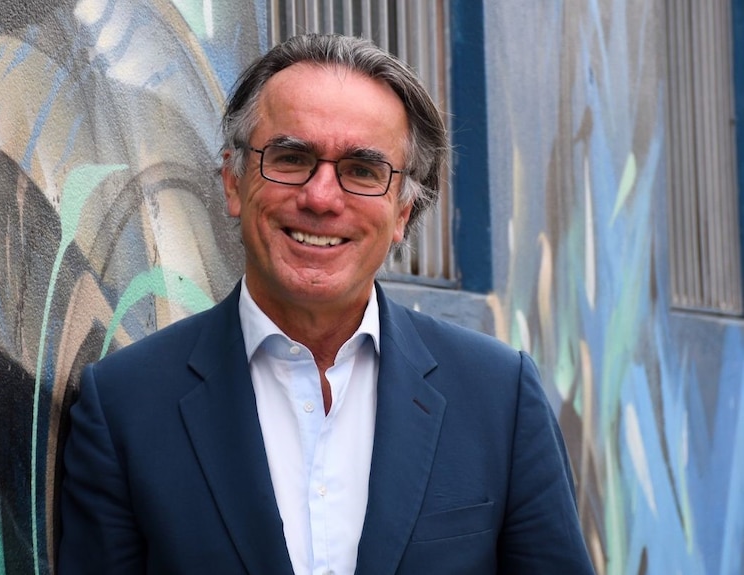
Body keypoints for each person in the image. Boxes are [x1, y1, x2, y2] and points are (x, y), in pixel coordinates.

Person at [58, 33, 595, 574]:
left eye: (362, 171)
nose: (320, 197)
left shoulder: (500, 399)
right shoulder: (125, 405)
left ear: (402, 213)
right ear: (233, 183)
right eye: (291, 158)